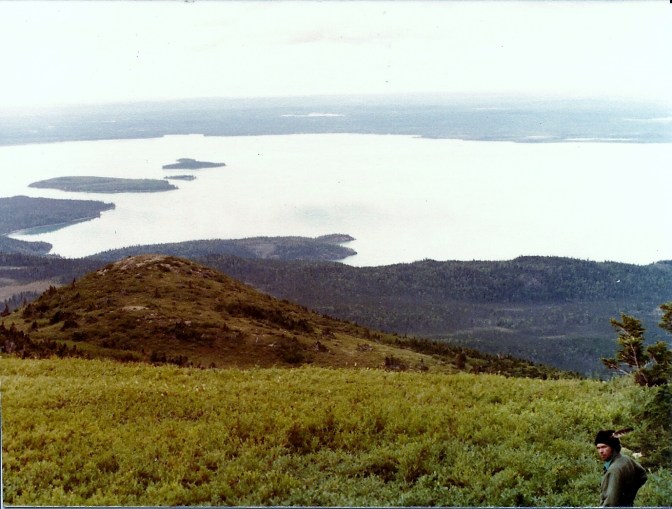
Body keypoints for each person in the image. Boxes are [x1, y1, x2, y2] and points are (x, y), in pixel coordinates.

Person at [595, 429, 647, 507]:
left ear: (613, 447)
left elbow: (610, 503)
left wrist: (627, 494)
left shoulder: (614, 470)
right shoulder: (626, 459)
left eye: (604, 447)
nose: (601, 451)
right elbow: (643, 474)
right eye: (598, 448)